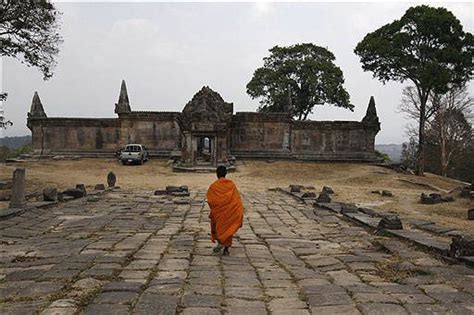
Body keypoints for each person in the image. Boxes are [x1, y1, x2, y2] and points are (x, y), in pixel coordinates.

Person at [207, 165, 244, 256]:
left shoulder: (213, 186)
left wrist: (215, 208)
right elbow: (236, 199)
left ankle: (220, 242)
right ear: (226, 174)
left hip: (219, 212)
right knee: (228, 228)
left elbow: (211, 200)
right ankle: (226, 248)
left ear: (217, 174)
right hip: (230, 211)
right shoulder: (231, 185)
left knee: (219, 227)